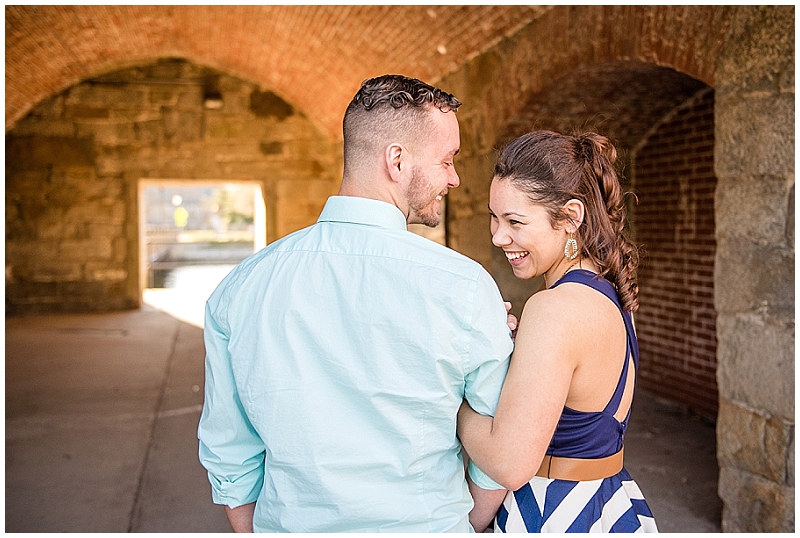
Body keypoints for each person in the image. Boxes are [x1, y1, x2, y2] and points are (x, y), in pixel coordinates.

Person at [197, 74, 514, 532]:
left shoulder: (242, 287)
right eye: (446, 160)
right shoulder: (464, 286)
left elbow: (230, 451)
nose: (454, 177)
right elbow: (496, 437)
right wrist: (465, 524)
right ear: (397, 161)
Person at [457, 130, 658, 533]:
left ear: (570, 217)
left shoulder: (553, 310)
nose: (498, 236)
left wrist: (457, 398)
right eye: (494, 218)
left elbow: (509, 463)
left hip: (553, 510)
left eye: (515, 221)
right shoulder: (611, 295)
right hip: (607, 500)